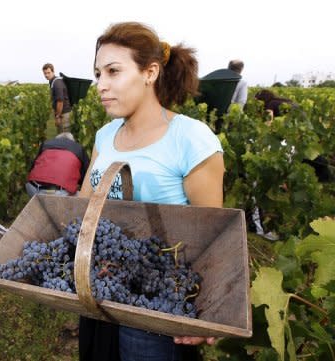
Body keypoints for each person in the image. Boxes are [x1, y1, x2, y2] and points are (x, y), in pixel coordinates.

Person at [78, 22, 223, 361]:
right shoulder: (104, 136)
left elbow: (213, 237)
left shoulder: (190, 139)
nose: (101, 85)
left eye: (113, 71)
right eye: (98, 74)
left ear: (150, 72)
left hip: (153, 313)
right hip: (100, 292)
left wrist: (208, 306)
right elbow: (83, 208)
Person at [26, 132, 89, 197]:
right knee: (83, 196)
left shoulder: (46, 144)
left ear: (56, 139)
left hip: (34, 188)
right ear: (72, 141)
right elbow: (87, 177)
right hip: (61, 193)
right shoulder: (79, 148)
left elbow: (33, 167)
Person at [42, 63, 72, 133]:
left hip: (63, 114)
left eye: (48, 73)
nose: (46, 75)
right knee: (61, 135)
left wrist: (58, 116)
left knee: (64, 137)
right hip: (62, 113)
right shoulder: (53, 81)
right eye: (45, 73)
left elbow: (60, 101)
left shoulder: (57, 83)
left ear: (53, 72)